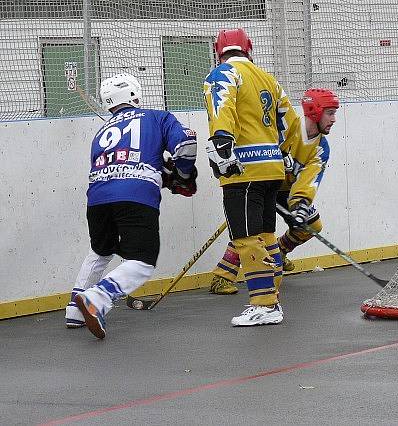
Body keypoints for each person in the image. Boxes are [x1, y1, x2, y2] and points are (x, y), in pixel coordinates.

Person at [66, 73, 198, 339]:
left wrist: (162, 174)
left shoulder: (101, 132)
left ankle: (75, 309)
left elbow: (120, 166)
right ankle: (98, 298)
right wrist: (182, 175)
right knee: (142, 261)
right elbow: (185, 144)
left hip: (98, 198)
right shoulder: (156, 117)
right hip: (135, 196)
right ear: (134, 95)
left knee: (101, 251)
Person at [204, 27, 304, 326]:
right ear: (249, 48)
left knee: (246, 238)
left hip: (243, 168)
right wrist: (284, 153)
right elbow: (290, 122)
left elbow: (222, 107)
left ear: (217, 50)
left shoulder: (222, 74)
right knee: (266, 236)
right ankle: (272, 296)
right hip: (273, 166)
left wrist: (222, 144)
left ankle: (264, 304)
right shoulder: (269, 79)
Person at [208, 88, 339, 295]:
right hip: (263, 182)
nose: (334, 119)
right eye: (330, 113)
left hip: (287, 192)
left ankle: (281, 250)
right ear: (315, 111)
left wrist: (301, 204)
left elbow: (309, 179)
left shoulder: (322, 147)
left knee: (311, 225)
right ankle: (221, 277)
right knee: (252, 231)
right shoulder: (288, 127)